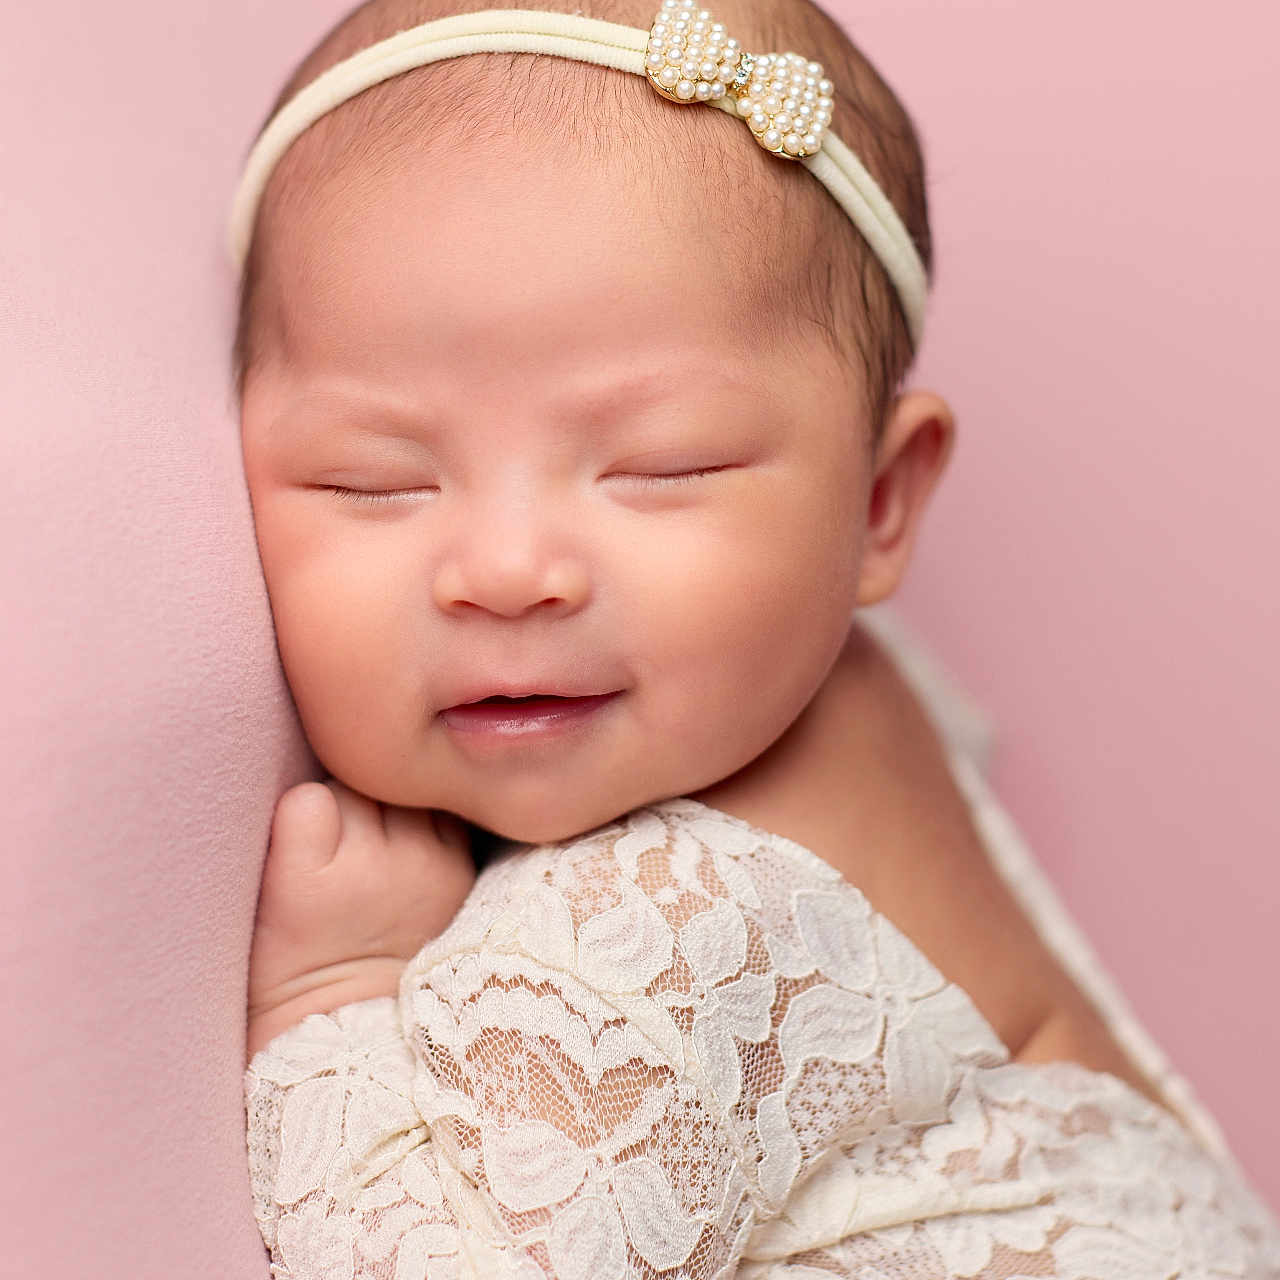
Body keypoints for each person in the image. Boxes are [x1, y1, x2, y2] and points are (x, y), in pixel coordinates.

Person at [230, 0, 1280, 1273]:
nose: (507, 572)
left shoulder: (641, 934)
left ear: (877, 501)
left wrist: (334, 993)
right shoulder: (869, 689)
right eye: (375, 481)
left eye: (663, 466)